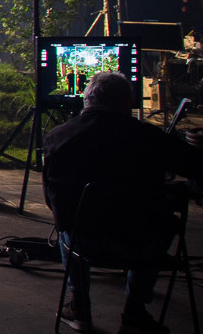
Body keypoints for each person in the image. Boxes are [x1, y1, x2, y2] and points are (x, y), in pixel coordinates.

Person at [43, 71, 203, 334]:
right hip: (141, 243)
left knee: (66, 222)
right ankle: (134, 313)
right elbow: (195, 165)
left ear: (87, 100)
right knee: (164, 221)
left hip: (83, 241)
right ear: (124, 102)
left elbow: (53, 200)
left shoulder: (57, 137)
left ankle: (79, 305)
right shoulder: (149, 137)